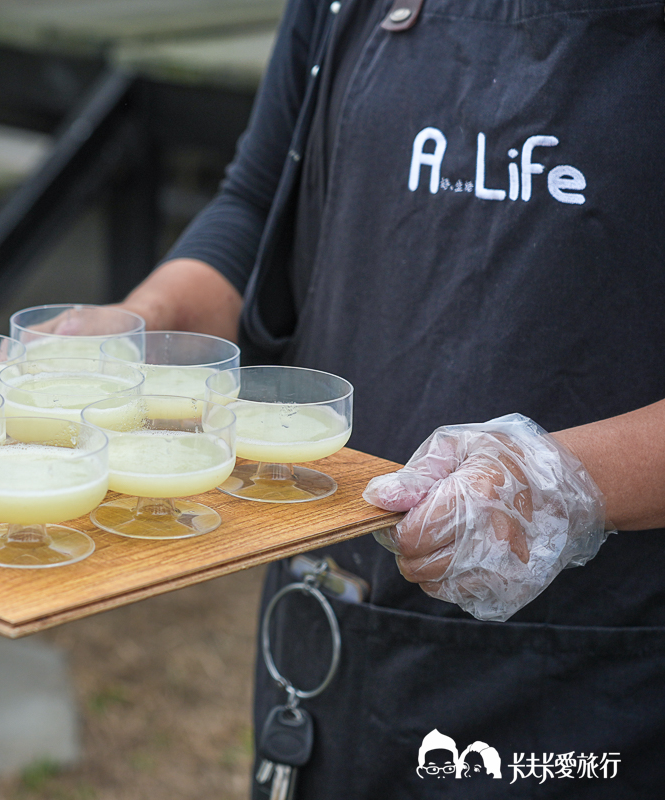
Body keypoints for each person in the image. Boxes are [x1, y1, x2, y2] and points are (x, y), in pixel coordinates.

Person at [49, 0, 665, 794]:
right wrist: (143, 324)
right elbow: (259, 200)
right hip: (334, 624)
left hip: (606, 667)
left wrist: (560, 483)